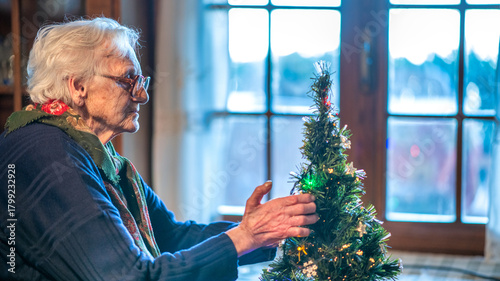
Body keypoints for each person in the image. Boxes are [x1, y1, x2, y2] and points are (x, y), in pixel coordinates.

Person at [0, 17, 318, 281]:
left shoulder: (99, 157)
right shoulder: (43, 153)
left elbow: (171, 236)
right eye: (128, 80)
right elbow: (129, 277)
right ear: (78, 86)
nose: (142, 96)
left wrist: (263, 233)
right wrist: (243, 236)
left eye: (141, 81)